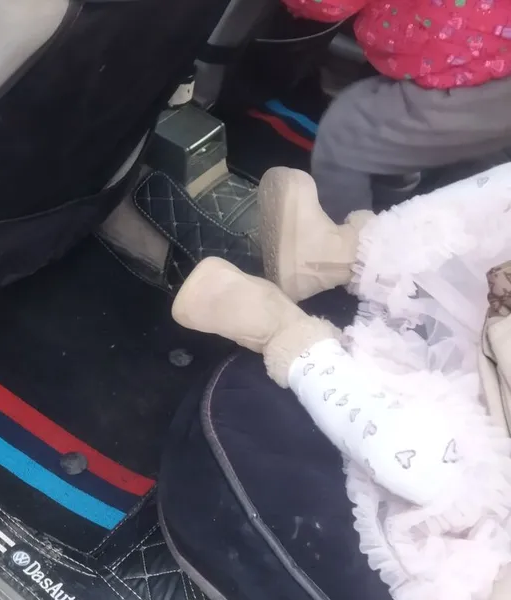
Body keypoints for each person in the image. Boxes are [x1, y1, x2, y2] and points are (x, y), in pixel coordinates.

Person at [172, 165, 511, 600]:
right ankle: (335, 253)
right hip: (492, 340)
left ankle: (289, 336)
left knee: (433, 471)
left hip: (488, 483)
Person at [277, 0, 511, 224]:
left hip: (470, 82)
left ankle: (346, 243)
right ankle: (391, 203)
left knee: (346, 135)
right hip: (489, 60)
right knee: (395, 140)